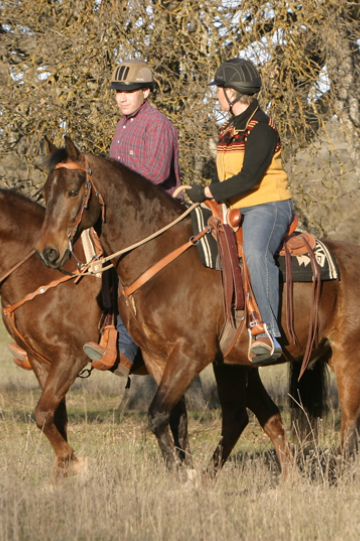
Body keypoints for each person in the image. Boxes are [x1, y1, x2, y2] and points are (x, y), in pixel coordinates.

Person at [186, 58, 293, 365]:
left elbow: (248, 178)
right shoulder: (228, 129)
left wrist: (207, 192)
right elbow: (225, 177)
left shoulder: (262, 129)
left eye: (219, 89)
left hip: (267, 206)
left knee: (256, 253)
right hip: (233, 208)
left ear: (231, 92)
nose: (216, 95)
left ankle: (269, 334)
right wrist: (204, 197)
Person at [83, 59, 181, 376]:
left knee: (129, 269)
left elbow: (155, 174)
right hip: (127, 219)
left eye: (129, 91)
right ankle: (89, 334)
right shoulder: (122, 126)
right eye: (118, 92)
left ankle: (124, 346)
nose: (122, 97)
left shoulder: (158, 125)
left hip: (156, 218)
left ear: (146, 92)